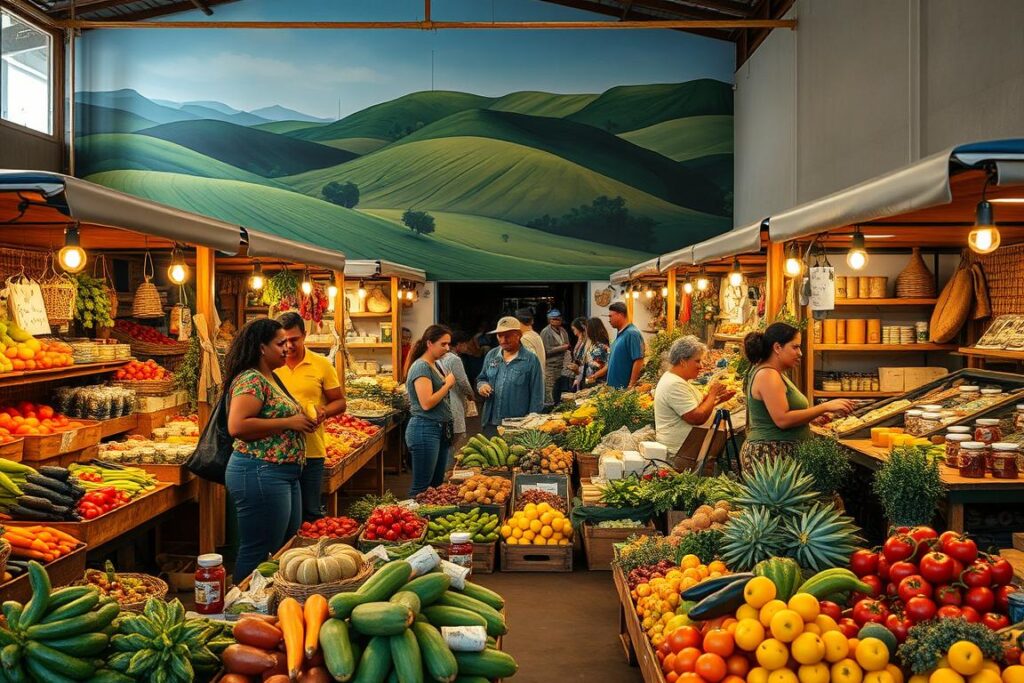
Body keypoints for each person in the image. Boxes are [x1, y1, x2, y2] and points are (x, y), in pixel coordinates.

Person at [224, 318, 317, 582]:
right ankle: (242, 610)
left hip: (282, 472)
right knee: (257, 550)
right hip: (259, 471)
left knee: (284, 548)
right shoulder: (251, 380)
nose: (286, 348)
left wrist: (302, 419)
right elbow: (237, 425)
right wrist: (289, 422)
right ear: (262, 348)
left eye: (288, 342)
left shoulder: (272, 377)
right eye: (280, 343)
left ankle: (269, 603)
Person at [741, 322, 854, 471]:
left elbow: (780, 412)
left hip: (780, 452)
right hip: (771, 455)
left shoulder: (776, 373)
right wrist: (824, 407)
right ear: (777, 348)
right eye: (795, 347)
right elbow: (782, 419)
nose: (800, 353)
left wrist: (811, 417)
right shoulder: (768, 374)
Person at [274, 312, 347, 522]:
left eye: (294, 339)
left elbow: (340, 402)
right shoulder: (270, 366)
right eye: (283, 341)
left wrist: (324, 411)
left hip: (311, 451)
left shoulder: (321, 364)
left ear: (304, 335)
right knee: (284, 515)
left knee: (310, 511)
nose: (288, 346)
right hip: (278, 452)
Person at [654, 336, 736, 457]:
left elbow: (696, 406)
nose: (701, 366)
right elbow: (696, 417)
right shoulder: (674, 384)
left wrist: (717, 399)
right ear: (682, 361)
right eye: (697, 361)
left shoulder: (679, 381)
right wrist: (712, 394)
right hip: (680, 452)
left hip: (689, 449)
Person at [406, 325, 457, 496]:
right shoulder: (421, 367)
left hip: (438, 429)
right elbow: (426, 403)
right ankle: (413, 521)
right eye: (443, 344)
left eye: (448, 344)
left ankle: (427, 520)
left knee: (435, 485)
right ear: (429, 343)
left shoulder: (436, 365)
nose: (447, 348)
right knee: (421, 487)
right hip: (424, 429)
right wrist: (448, 384)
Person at [477, 316, 544, 435]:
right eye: (499, 336)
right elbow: (482, 378)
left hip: (517, 425)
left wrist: (532, 423)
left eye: (507, 336)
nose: (503, 340)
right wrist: (482, 386)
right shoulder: (492, 355)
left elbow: (537, 394)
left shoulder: (530, 360)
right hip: (491, 422)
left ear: (518, 335)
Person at [440, 332, 476, 455]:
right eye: (466, 344)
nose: (467, 347)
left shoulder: (440, 357)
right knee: (454, 440)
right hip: (453, 400)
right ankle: (448, 469)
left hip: (442, 402)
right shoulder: (454, 359)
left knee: (445, 440)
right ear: (459, 344)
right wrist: (472, 395)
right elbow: (463, 381)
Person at [606, 301, 645, 389]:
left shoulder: (632, 333)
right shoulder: (620, 334)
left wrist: (631, 384)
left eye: (610, 316)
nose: (609, 319)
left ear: (620, 315)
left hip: (623, 389)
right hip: (614, 389)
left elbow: (639, 359)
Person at [540, 309, 570, 405]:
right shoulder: (545, 332)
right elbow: (546, 350)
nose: (557, 321)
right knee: (550, 392)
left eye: (559, 319)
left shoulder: (563, 331)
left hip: (562, 365)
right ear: (550, 320)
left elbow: (567, 344)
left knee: (561, 392)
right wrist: (561, 348)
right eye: (554, 319)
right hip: (551, 366)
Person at [555, 317, 587, 399]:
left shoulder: (586, 341)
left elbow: (582, 360)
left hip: (581, 374)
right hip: (577, 374)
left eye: (574, 330)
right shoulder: (581, 340)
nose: (574, 333)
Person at [576, 317, 611, 389]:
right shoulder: (596, 344)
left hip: (595, 382)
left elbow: (600, 367)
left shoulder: (600, 347)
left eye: (586, 329)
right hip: (592, 381)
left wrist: (587, 379)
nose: (585, 332)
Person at [515, 308, 546, 388]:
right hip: (538, 380)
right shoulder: (536, 335)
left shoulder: (525, 338)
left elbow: (529, 364)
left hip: (530, 383)